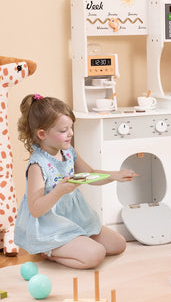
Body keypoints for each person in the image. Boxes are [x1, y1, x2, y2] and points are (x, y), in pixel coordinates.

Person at [15, 94, 139, 269]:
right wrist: (59, 191)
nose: (70, 134)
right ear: (42, 134)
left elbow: (90, 173)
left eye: (71, 128)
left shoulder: (68, 151)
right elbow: (35, 209)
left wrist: (114, 175)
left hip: (75, 217)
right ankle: (49, 251)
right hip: (50, 225)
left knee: (118, 244)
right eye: (63, 130)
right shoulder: (38, 165)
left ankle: (77, 241)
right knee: (96, 255)